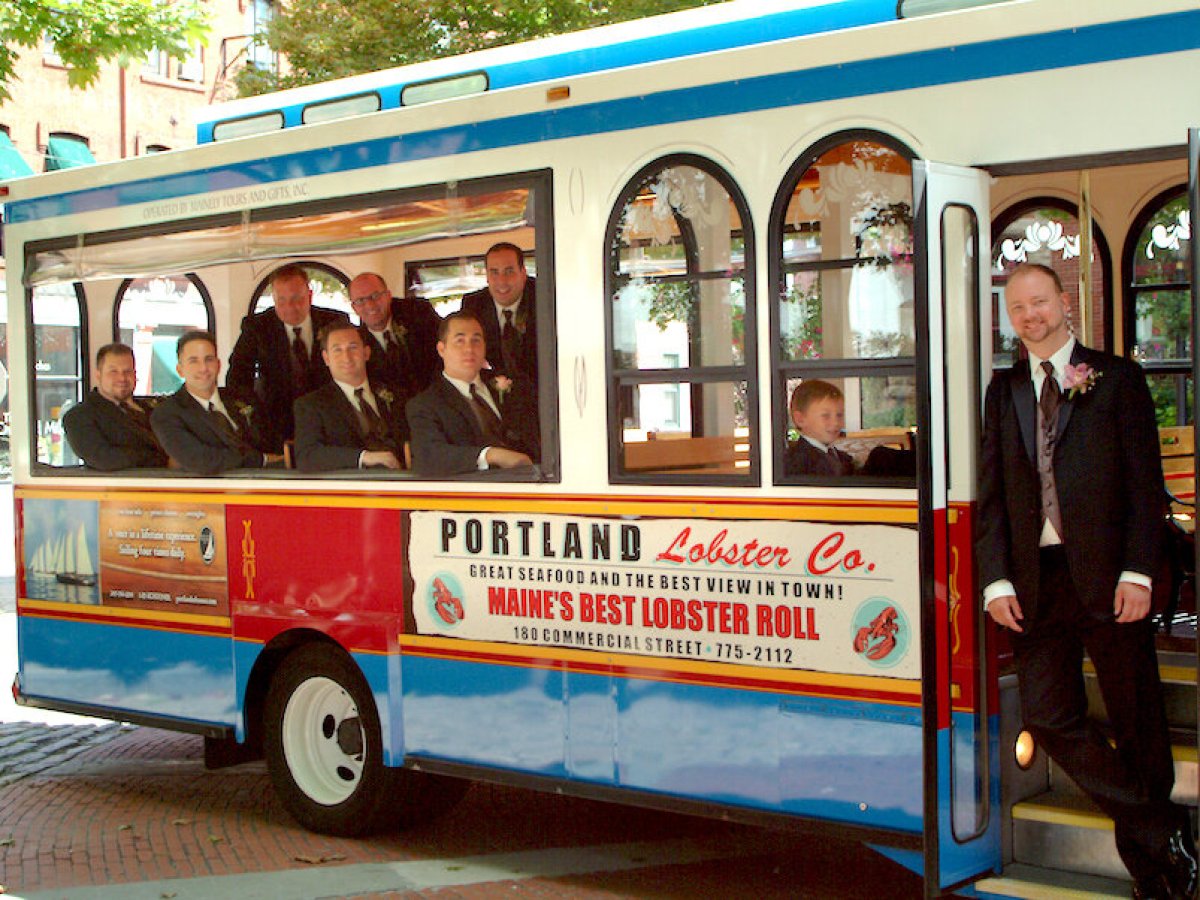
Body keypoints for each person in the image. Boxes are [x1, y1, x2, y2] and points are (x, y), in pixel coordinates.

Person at [976, 263, 1196, 900]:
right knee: (1048, 717)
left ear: (1064, 303)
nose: (1029, 316)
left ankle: (1156, 875)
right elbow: (992, 497)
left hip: (1110, 578)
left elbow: (1143, 486)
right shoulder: (1004, 389)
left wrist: (1139, 571)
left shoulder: (1118, 377)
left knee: (1138, 721)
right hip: (1034, 584)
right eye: (1017, 308)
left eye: (1039, 302)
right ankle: (1165, 828)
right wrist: (995, 582)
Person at [227, 264, 349, 452]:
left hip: (329, 419)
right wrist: (254, 418)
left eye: (296, 299)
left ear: (309, 295)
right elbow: (238, 377)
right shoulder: (257, 327)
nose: (290, 307)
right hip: (276, 423)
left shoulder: (334, 322)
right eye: (281, 301)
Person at [406, 311, 534, 477]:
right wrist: (489, 455)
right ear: (441, 349)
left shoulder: (514, 386)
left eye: (476, 340)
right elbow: (429, 456)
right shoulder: (424, 405)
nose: (469, 348)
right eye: (460, 341)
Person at [151, 331, 282, 475]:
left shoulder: (245, 398)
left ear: (218, 365)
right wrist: (260, 459)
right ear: (180, 370)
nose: (203, 368)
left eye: (209, 359)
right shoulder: (167, 413)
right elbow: (200, 460)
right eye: (193, 361)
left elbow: (272, 440)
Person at [293, 322, 409, 473]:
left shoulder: (398, 396)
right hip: (349, 489)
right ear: (326, 358)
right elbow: (307, 457)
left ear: (366, 353)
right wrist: (363, 457)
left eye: (352, 348)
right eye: (337, 350)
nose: (346, 357)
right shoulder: (311, 405)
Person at [63, 343, 167, 471]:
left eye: (127, 371)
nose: (122, 378)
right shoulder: (79, 416)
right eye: (113, 371)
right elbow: (104, 459)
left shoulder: (155, 409)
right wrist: (163, 460)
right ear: (98, 375)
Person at [348, 272, 441, 397]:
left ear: (388, 296)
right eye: (360, 300)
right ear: (354, 308)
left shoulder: (418, 315)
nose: (370, 305)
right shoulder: (357, 346)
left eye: (375, 296)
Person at [460, 242, 537, 383]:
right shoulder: (473, 306)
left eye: (509, 271)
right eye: (494, 272)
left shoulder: (544, 298)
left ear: (523, 273)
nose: (502, 281)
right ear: (487, 276)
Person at [784, 379, 854, 477]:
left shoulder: (843, 458)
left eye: (839, 415)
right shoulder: (797, 464)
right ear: (800, 419)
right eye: (825, 416)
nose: (835, 423)